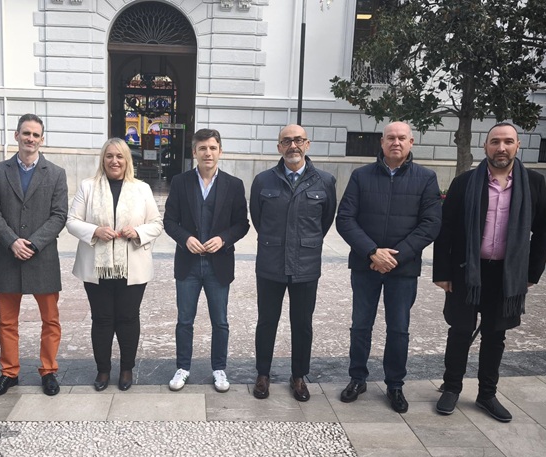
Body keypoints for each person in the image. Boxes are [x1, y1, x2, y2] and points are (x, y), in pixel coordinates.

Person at [433, 122, 546, 422]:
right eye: (495, 142)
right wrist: (442, 272)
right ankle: (451, 387)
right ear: (485, 146)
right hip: (466, 272)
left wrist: (530, 274)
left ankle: (487, 394)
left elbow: (543, 232)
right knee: (460, 331)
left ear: (517, 146)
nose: (501, 148)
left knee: (495, 335)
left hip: (506, 275)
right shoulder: (464, 183)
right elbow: (446, 230)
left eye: (508, 142)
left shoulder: (534, 183)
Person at [336, 121, 442, 414]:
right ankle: (357, 378)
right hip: (365, 265)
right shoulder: (361, 176)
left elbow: (431, 223)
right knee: (360, 325)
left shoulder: (426, 178)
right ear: (381, 142)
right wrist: (372, 252)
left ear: (411, 142)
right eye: (390, 138)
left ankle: (395, 384)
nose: (396, 142)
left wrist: (396, 256)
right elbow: (345, 218)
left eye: (401, 138)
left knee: (398, 329)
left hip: (402, 269)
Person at [66, 138, 163, 391]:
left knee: (128, 318)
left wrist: (138, 232)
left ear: (127, 160)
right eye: (109, 156)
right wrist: (95, 230)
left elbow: (156, 223)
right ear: (103, 159)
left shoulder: (141, 189)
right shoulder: (88, 187)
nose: (114, 161)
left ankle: (127, 368)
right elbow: (72, 221)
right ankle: (103, 370)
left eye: (119, 156)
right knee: (102, 319)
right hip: (97, 268)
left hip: (132, 266)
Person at [249, 124, 337, 402]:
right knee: (266, 321)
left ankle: (298, 376)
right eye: (286, 141)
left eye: (298, 140)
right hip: (270, 263)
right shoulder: (263, 180)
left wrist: (304, 243)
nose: (293, 146)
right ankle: (263, 374)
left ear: (307, 144)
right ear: (279, 147)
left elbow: (325, 221)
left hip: (306, 265)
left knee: (302, 324)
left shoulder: (325, 181)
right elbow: (258, 218)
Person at [0, 114, 68, 397]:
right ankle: (9, 372)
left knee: (50, 320)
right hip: (9, 257)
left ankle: (49, 371)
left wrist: (32, 243)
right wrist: (11, 241)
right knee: (7, 322)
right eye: (26, 133)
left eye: (35, 134)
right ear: (16, 135)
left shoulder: (55, 173)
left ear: (42, 139)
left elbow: (59, 215)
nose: (30, 138)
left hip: (42, 257)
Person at [163, 129, 250, 392]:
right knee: (184, 320)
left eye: (212, 148)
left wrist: (223, 239)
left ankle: (219, 368)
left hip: (218, 264)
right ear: (194, 152)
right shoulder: (180, 182)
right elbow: (169, 221)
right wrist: (185, 238)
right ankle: (183, 367)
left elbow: (242, 224)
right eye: (202, 148)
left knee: (220, 321)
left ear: (220, 151)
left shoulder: (234, 185)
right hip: (188, 264)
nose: (208, 153)